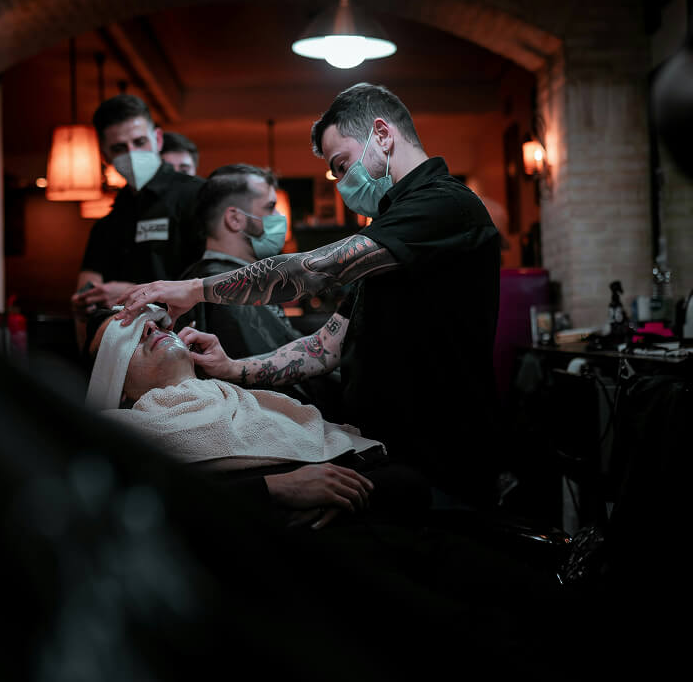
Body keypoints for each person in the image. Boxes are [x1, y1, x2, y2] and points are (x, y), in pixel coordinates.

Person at [114, 82, 503, 508]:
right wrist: (232, 369)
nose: (341, 183)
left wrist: (196, 289)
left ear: (383, 135)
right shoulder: (391, 231)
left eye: (342, 164)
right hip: (387, 451)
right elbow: (324, 346)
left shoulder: (446, 206)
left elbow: (319, 269)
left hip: (444, 457)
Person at [85, 305, 431, 529]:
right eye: (123, 337)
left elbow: (405, 482)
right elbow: (162, 519)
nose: (149, 328)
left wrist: (344, 496)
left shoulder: (259, 405)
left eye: (153, 320)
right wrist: (274, 490)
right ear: (114, 386)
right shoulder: (121, 443)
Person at [176, 163, 343, 419]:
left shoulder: (215, 280)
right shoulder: (220, 288)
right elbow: (279, 386)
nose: (279, 217)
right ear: (234, 219)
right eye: (269, 207)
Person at [70, 95, 205, 352]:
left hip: (189, 349)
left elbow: (217, 285)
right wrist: (84, 304)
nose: (132, 154)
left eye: (140, 142)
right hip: (126, 356)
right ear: (105, 155)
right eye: (120, 148)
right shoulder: (109, 222)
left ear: (158, 139)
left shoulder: (196, 196)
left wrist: (135, 294)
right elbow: (87, 285)